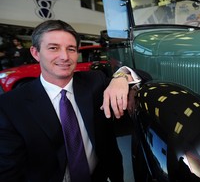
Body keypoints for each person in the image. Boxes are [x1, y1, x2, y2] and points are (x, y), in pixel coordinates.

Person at [0, 20, 145, 181]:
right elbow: (8, 171)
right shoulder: (10, 106)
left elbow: (145, 77)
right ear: (35, 53)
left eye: (71, 49)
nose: (65, 57)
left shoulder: (95, 82)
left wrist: (121, 76)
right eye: (53, 48)